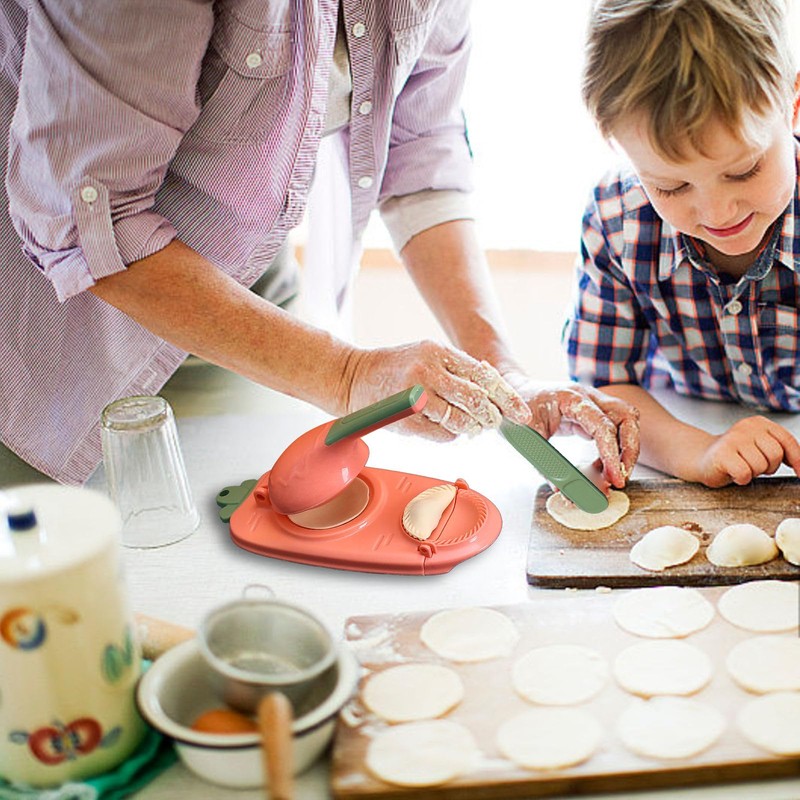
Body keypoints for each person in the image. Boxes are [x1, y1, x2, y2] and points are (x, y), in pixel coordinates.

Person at [0, 1, 639, 488]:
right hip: (42, 323)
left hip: (241, 274)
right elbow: (92, 215)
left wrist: (502, 371)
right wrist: (348, 374)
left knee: (244, 522)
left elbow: (420, 143)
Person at [565, 0, 800, 489]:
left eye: (744, 171)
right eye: (671, 187)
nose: (717, 214)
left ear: (792, 105)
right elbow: (605, 386)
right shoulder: (616, 220)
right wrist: (699, 452)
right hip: (679, 428)